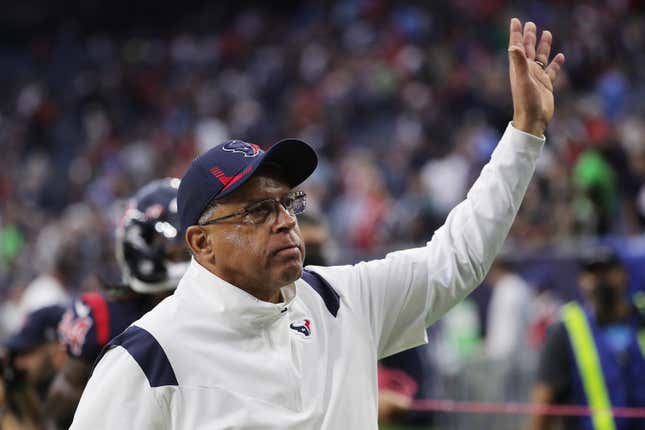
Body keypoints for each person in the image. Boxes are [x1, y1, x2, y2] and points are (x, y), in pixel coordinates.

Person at [70, 18, 565, 429]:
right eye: (258, 211)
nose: (285, 222)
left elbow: (457, 258)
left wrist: (524, 133)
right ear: (202, 243)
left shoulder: (339, 299)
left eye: (287, 203)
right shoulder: (149, 359)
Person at [44, 178, 190, 429]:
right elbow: (60, 412)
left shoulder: (212, 309)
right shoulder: (102, 316)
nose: (184, 250)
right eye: (174, 242)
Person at [529, 247, 645, 430]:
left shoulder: (640, 319)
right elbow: (544, 403)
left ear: (624, 275)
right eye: (593, 274)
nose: (601, 281)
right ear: (582, 281)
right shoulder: (565, 330)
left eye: (607, 272)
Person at [0, 305, 67, 430]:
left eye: (27, 353)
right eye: (16, 355)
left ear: (58, 350)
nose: (18, 363)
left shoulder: (82, 396)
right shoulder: (25, 392)